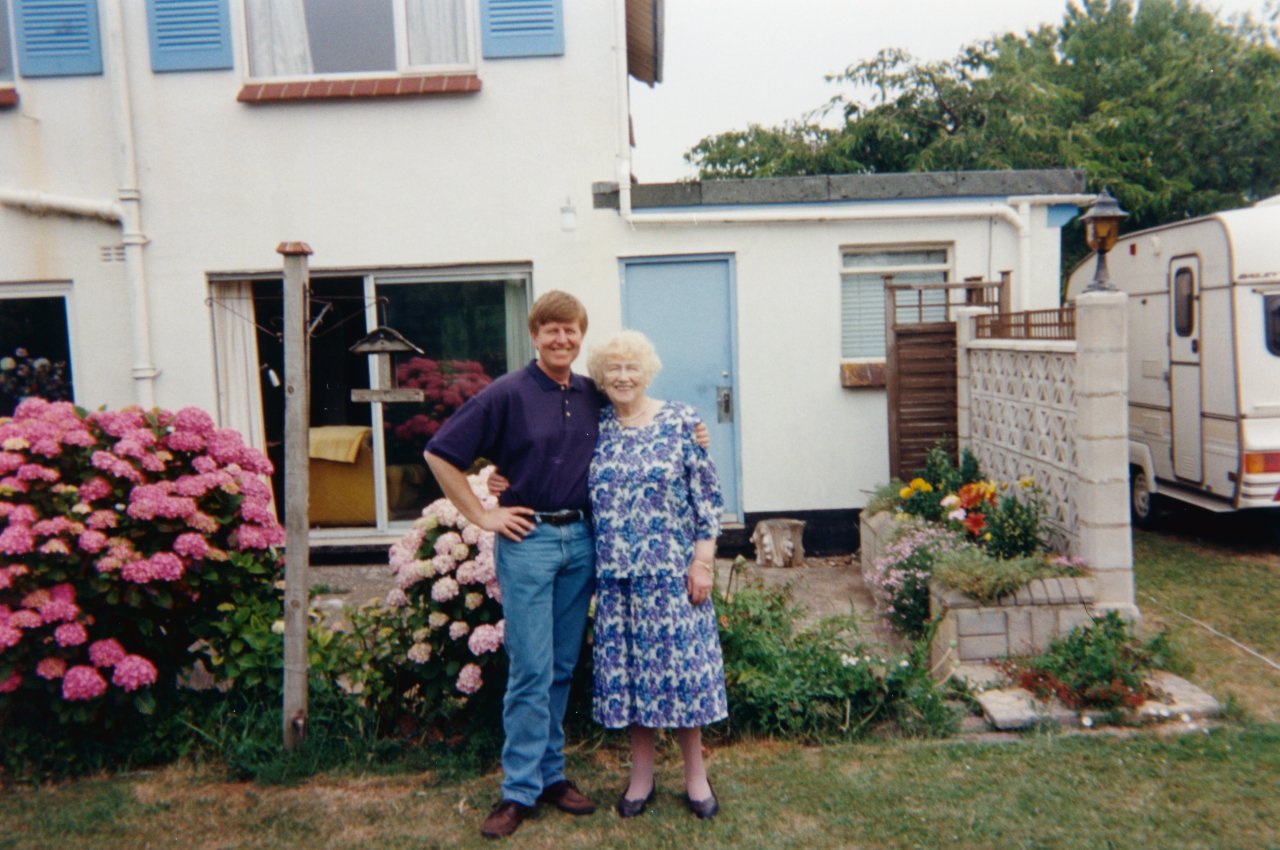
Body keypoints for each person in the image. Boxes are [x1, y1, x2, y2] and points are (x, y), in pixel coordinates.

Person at [425, 291, 601, 839]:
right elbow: (440, 453)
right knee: (531, 666)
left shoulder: (594, 393)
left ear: (580, 334)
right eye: (550, 330)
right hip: (529, 542)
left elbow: (642, 418)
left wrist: (692, 430)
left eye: (570, 330)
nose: (561, 339)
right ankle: (519, 789)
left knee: (562, 665)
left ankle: (552, 775)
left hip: (581, 540)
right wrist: (483, 512)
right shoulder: (508, 393)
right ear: (534, 334)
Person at [585, 330, 728, 821]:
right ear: (601, 378)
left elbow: (707, 500)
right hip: (617, 580)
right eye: (613, 369)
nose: (623, 377)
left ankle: (696, 778)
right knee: (630, 682)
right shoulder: (596, 425)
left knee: (683, 677)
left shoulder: (681, 420)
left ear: (646, 372)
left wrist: (702, 562)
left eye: (632, 368)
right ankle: (640, 778)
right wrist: (500, 476)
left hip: (672, 576)